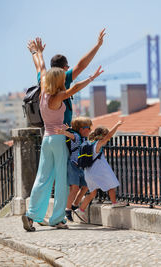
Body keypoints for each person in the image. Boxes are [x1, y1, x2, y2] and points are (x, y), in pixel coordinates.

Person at [22, 65, 104, 231]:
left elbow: (41, 67)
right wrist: (91, 78)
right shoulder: (58, 96)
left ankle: (31, 215)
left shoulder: (43, 90)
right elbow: (75, 88)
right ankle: (58, 219)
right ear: (59, 81)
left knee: (42, 177)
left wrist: (36, 52)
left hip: (46, 139)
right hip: (59, 139)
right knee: (61, 180)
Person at [28, 28, 106, 126]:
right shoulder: (63, 77)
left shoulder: (44, 80)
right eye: (68, 67)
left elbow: (40, 66)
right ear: (64, 68)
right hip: (63, 129)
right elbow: (81, 66)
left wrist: (35, 52)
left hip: (47, 129)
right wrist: (98, 45)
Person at [74, 121, 126, 223]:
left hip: (89, 173)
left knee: (92, 193)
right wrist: (117, 125)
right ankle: (114, 202)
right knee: (111, 185)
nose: (107, 139)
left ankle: (80, 210)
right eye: (105, 135)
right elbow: (109, 135)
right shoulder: (97, 144)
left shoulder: (88, 144)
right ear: (102, 135)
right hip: (98, 172)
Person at [55, 117, 92, 222]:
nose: (89, 130)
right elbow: (71, 135)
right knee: (74, 188)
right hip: (74, 165)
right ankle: (67, 209)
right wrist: (63, 132)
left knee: (85, 186)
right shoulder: (76, 136)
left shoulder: (86, 138)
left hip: (82, 166)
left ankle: (75, 204)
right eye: (87, 128)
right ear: (81, 129)